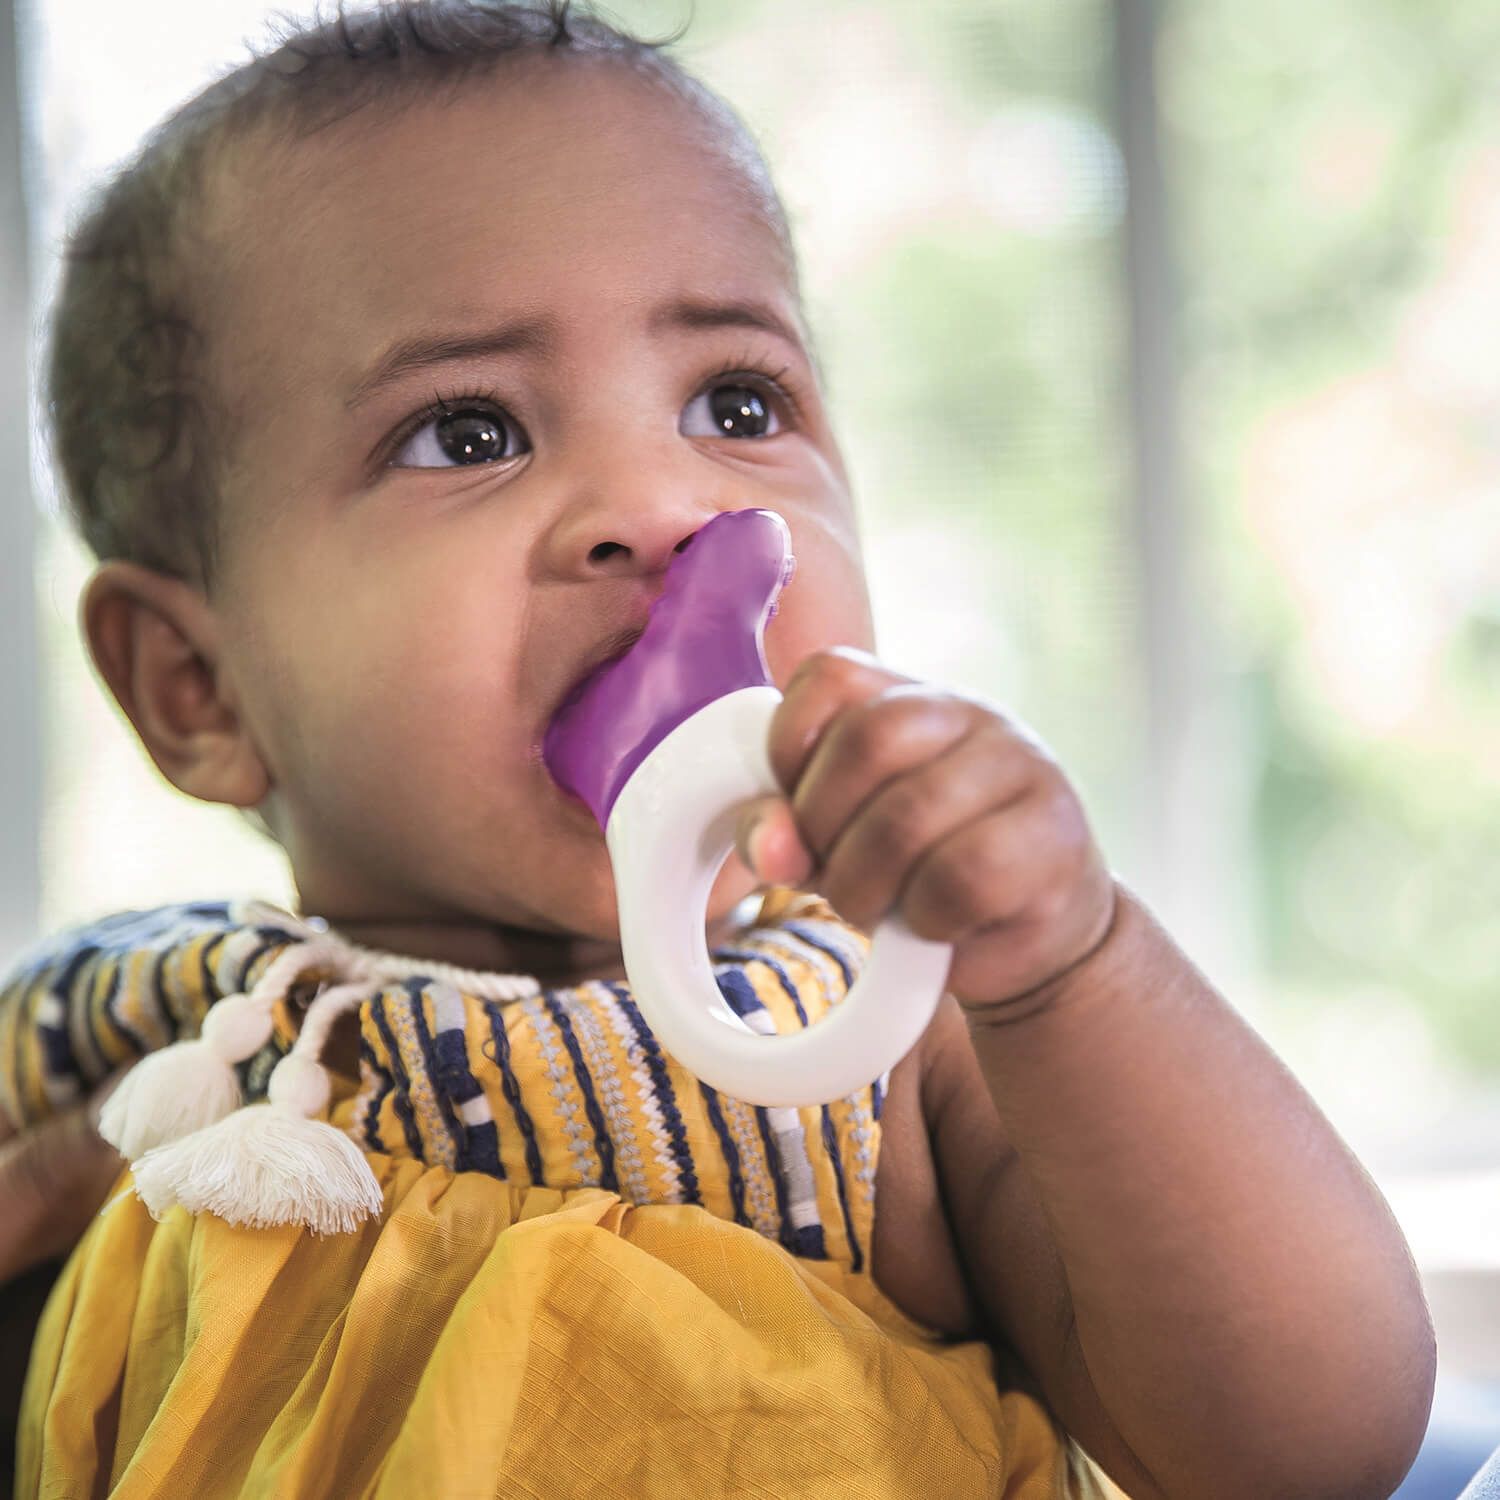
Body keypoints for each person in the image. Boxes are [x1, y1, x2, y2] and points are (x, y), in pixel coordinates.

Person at [0, 2, 1435, 1495]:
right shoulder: (146, 1040)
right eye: (469, 432)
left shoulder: (886, 1046)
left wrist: (1072, 965)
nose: (668, 505)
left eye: (736, 403)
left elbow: (1309, 1445)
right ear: (196, 688)